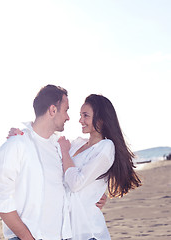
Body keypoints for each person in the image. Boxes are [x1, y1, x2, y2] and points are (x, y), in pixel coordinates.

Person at [0, 84, 106, 240]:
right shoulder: (16, 144)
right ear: (53, 110)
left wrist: (95, 194)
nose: (68, 117)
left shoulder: (60, 147)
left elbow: (72, 180)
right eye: (66, 110)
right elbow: (1, 199)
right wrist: (26, 237)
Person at [57, 94, 141, 240]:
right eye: (80, 115)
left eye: (85, 115)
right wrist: (20, 134)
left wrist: (65, 152)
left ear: (101, 120)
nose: (80, 120)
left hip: (88, 232)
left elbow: (76, 183)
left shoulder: (105, 147)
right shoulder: (76, 143)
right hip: (66, 230)